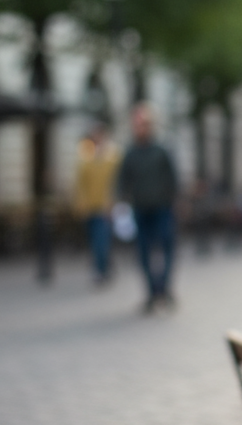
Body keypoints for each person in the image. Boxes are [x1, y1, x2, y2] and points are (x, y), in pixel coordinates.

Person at [116, 104, 178, 312]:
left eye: (143, 124)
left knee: (166, 249)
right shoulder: (131, 153)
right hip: (140, 209)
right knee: (143, 253)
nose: (139, 128)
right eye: (137, 124)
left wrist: (174, 200)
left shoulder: (160, 151)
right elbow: (122, 181)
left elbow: (172, 179)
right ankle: (152, 293)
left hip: (162, 208)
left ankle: (164, 289)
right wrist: (120, 203)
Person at [73, 124, 120, 285]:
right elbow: (81, 182)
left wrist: (113, 200)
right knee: (95, 239)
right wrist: (81, 203)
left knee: (102, 238)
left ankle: (101, 269)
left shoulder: (112, 156)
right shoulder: (86, 156)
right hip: (90, 206)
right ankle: (103, 266)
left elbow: (116, 181)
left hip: (105, 206)